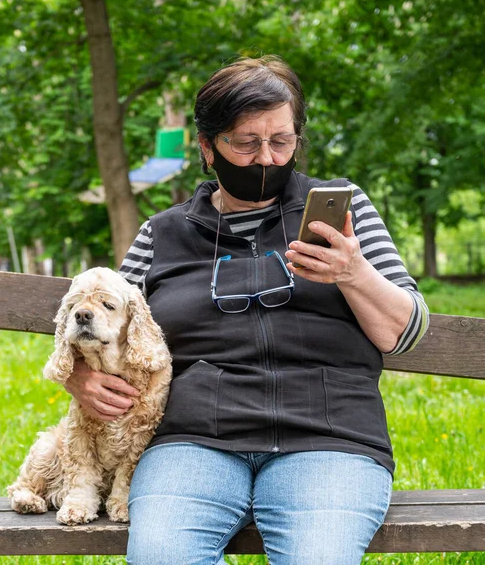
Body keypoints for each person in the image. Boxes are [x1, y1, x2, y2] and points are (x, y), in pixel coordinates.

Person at [65, 55, 429, 564]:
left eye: (281, 141)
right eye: (246, 142)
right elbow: (101, 317)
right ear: (208, 148)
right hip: (194, 440)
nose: (266, 159)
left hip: (329, 437)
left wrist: (353, 273)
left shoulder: (342, 212)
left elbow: (406, 330)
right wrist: (78, 375)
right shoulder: (161, 234)